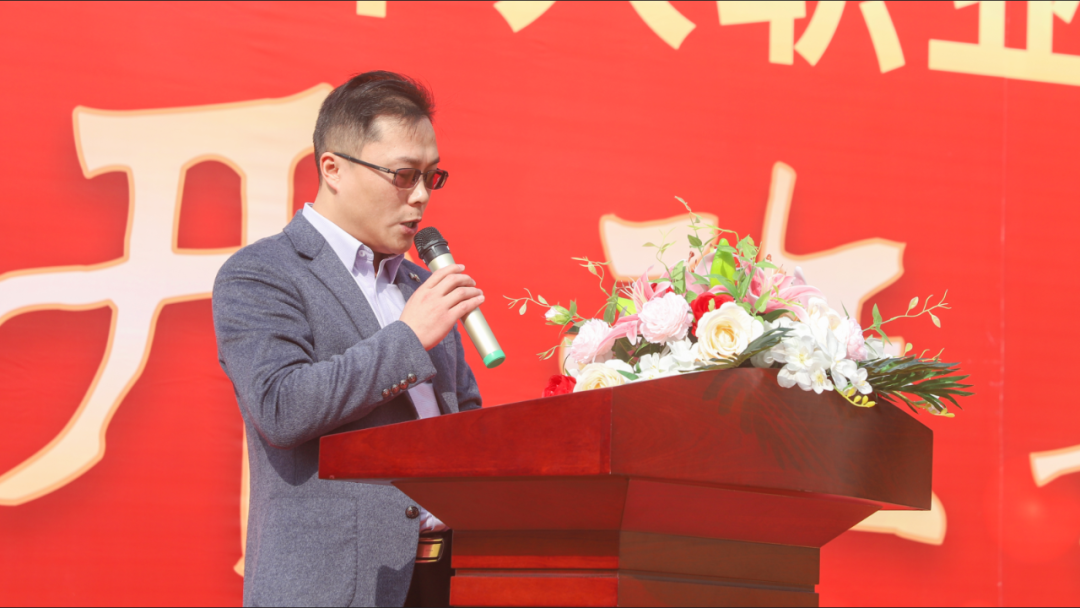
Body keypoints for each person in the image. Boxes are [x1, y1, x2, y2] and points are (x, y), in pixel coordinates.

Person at [212, 71, 484, 607]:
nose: (421, 196)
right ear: (332, 168)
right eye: (403, 175)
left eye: (431, 176)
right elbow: (281, 407)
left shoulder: (419, 283)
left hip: (448, 575)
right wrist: (408, 338)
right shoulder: (263, 273)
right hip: (333, 585)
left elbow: (462, 415)